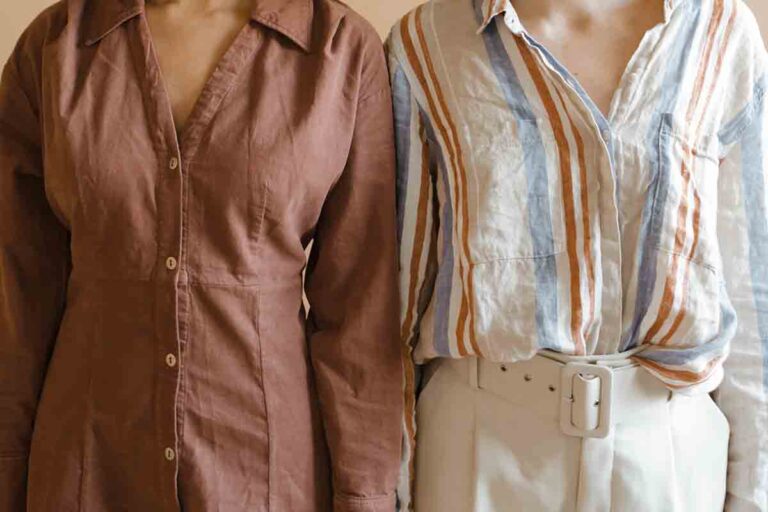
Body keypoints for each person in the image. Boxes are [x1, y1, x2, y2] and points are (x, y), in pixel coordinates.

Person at [0, 0, 402, 510]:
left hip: (267, 472)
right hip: (87, 465)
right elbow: (16, 294)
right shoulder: (55, 47)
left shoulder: (340, 50)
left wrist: (365, 495)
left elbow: (361, 317)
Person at [389, 0, 768, 510]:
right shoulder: (425, 44)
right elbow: (394, 307)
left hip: (672, 453)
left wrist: (753, 492)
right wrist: (388, 489)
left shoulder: (721, 32)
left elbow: (753, 293)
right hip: (479, 450)